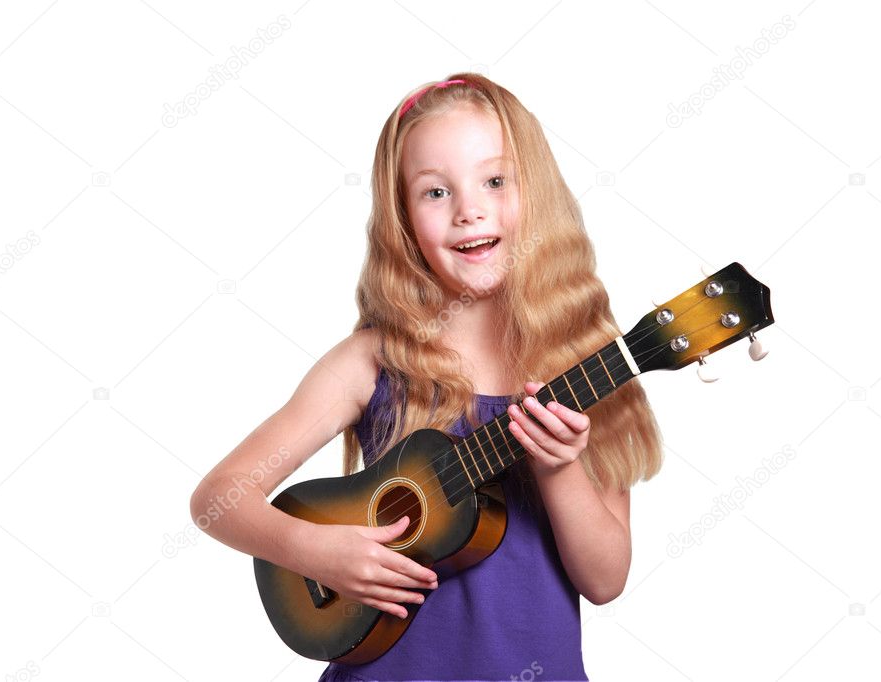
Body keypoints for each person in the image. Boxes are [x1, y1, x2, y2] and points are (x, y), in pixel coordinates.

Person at [190, 72, 664, 681]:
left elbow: (606, 580)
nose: (470, 211)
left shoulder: (584, 368)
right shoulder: (372, 363)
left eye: (495, 181)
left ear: (535, 195)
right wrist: (316, 550)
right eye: (436, 193)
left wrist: (559, 467)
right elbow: (217, 499)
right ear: (403, 219)